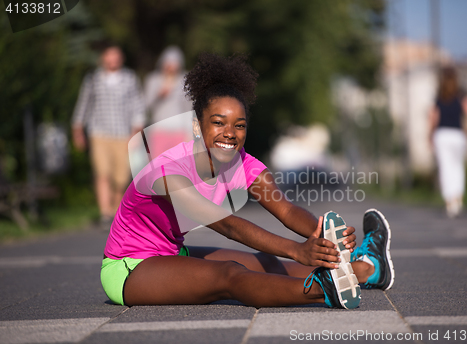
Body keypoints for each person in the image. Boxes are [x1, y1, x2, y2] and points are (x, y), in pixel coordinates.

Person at [100, 53, 394, 309]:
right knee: (229, 274)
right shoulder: (166, 171)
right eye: (218, 122)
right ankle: (323, 291)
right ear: (195, 125)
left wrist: (322, 238)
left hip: (173, 252)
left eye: (239, 125)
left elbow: (286, 210)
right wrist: (297, 249)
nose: (230, 133)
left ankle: (369, 269)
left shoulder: (244, 164)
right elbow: (225, 224)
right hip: (129, 267)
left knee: (266, 264)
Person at [72, 45, 146, 226]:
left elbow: (138, 104)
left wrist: (137, 130)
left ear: (121, 59)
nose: (112, 60)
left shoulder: (129, 78)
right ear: (103, 58)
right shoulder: (93, 79)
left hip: (123, 133)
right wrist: (77, 128)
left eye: (116, 56)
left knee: (121, 176)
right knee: (102, 172)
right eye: (109, 56)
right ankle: (105, 213)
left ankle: (116, 210)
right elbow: (84, 103)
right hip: (99, 133)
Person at [429, 67, 467, 218]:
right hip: (458, 135)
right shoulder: (461, 96)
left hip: (442, 135)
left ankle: (449, 201)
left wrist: (429, 135)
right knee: (458, 167)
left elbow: (433, 118)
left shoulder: (439, 97)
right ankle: (458, 199)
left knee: (445, 169)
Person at [144, 46, 193, 160]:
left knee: (178, 166)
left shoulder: (185, 80)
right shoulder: (153, 80)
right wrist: (158, 95)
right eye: (168, 62)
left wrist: (190, 132)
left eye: (174, 63)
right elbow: (145, 106)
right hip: (158, 130)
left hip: (179, 130)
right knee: (157, 166)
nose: (170, 66)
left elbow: (190, 108)